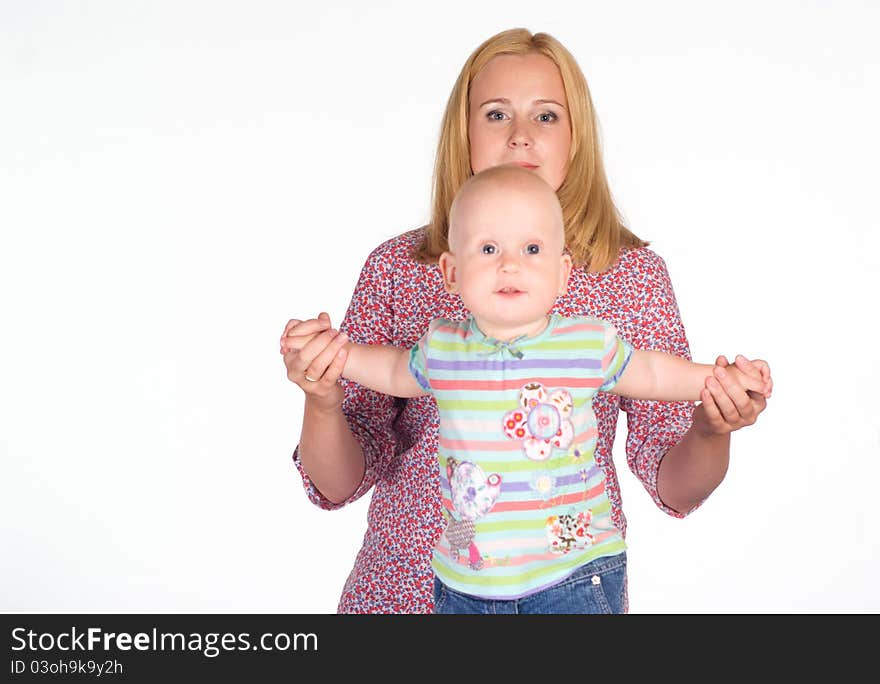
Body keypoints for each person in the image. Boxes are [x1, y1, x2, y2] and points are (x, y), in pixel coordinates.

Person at [280, 28, 771, 614]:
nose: (519, 135)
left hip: (563, 591)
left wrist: (712, 424)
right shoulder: (400, 269)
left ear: (575, 137)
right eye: (495, 114)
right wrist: (323, 395)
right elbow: (338, 481)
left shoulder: (629, 276)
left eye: (546, 116)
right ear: (463, 134)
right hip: (408, 592)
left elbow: (673, 476)